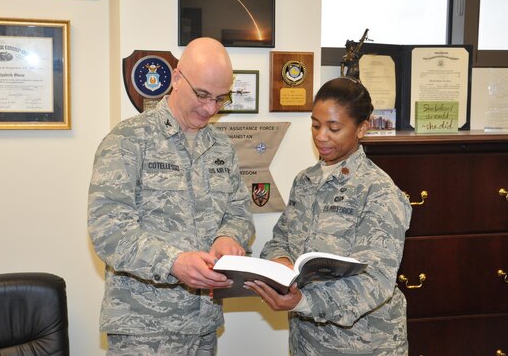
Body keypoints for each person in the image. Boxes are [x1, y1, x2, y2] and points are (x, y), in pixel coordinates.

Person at [88, 37, 255, 355]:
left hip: (204, 324)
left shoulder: (221, 147)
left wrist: (228, 238)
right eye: (203, 95)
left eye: (221, 99)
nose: (210, 108)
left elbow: (238, 211)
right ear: (177, 79)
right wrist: (173, 262)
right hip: (143, 330)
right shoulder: (129, 140)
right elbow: (108, 231)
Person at [245, 77, 412, 355]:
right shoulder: (305, 180)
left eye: (334, 128)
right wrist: (281, 262)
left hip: (363, 345)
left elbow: (376, 281)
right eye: (315, 125)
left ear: (362, 129)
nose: (321, 136)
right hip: (306, 342)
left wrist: (303, 301)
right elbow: (279, 240)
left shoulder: (379, 191)